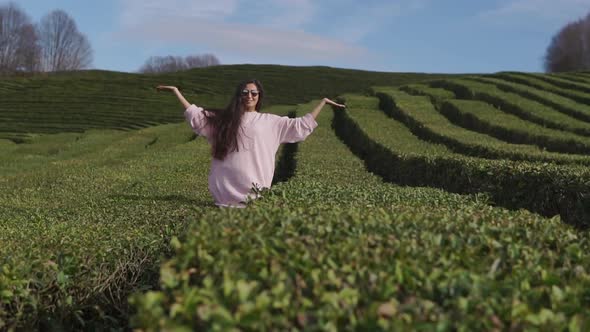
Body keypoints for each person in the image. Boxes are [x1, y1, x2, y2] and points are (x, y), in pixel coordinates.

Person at [156, 79, 345, 207]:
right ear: (239, 95)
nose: (249, 96)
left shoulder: (271, 121)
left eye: (254, 93)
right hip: (224, 198)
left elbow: (300, 126)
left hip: (255, 197)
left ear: (259, 96)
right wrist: (176, 92)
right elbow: (197, 116)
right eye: (245, 92)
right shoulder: (225, 119)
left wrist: (323, 103)